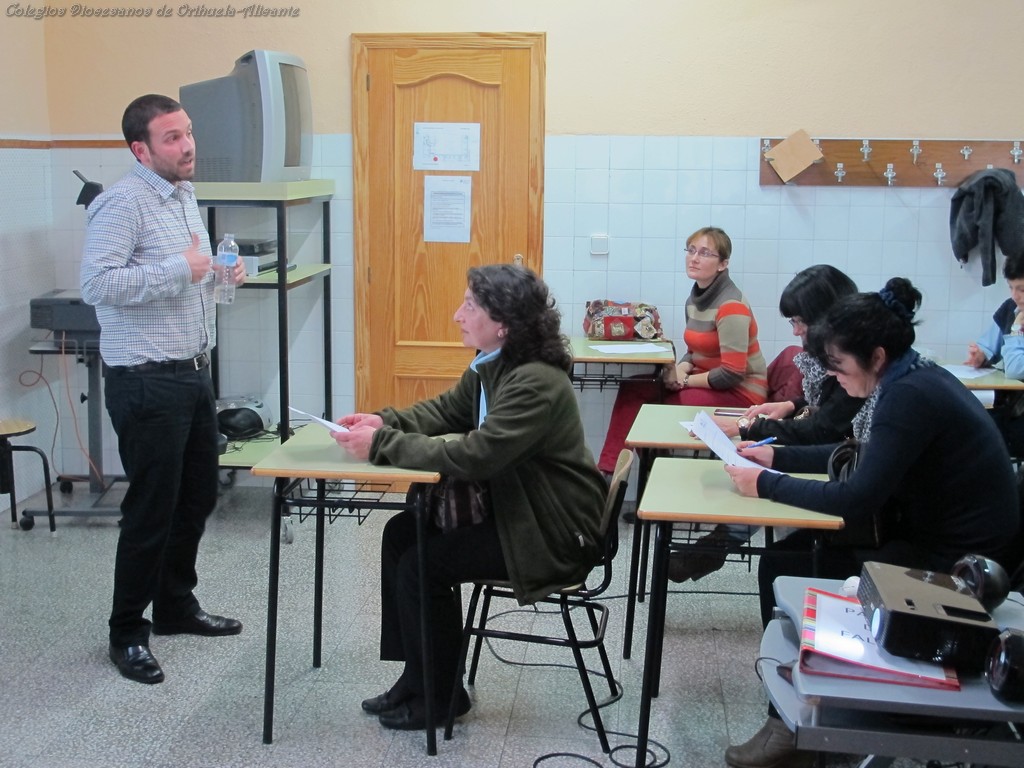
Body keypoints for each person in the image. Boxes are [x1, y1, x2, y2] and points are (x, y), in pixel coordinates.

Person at [722, 277, 1021, 768]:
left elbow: (855, 498)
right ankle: (800, 704)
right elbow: (862, 455)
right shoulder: (913, 378)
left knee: (789, 563)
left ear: (876, 356)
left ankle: (800, 721)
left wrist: (765, 483)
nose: (833, 375)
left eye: (839, 365)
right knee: (785, 558)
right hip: (941, 540)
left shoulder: (908, 396)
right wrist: (777, 456)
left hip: (957, 566)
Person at [332, 264, 606, 731]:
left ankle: (440, 698)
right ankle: (419, 677)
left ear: (504, 324)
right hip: (518, 512)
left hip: (549, 532)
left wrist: (382, 445)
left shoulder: (535, 381)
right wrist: (385, 421)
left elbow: (478, 456)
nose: (458, 315)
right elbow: (447, 410)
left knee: (422, 566)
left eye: (470, 306)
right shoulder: (492, 364)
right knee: (402, 534)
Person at [81, 94, 247, 685]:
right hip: (146, 380)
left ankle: (175, 606)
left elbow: (192, 272)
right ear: (141, 149)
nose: (188, 145)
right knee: (151, 511)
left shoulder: (182, 195)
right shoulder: (121, 203)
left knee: (197, 497)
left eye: (188, 132)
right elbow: (97, 285)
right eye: (172, 137)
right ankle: (127, 632)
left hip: (192, 373)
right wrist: (182, 269)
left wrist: (220, 272)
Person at [668, 266, 866, 583]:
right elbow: (827, 408)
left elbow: (823, 428)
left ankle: (715, 546)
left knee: (766, 485)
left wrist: (748, 427)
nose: (796, 332)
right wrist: (791, 405)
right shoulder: (836, 359)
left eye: (799, 322)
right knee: (763, 471)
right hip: (837, 460)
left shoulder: (855, 365)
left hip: (846, 479)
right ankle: (715, 546)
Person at [597, 226, 767, 473]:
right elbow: (693, 352)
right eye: (691, 250)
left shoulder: (731, 305)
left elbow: (732, 373)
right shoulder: (695, 299)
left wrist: (684, 380)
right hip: (707, 382)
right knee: (633, 389)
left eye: (705, 253)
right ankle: (614, 473)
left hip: (739, 394)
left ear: (723, 264)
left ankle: (632, 473)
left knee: (648, 410)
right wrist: (679, 370)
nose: (694, 258)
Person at [965, 251, 1024, 457]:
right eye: (1011, 287)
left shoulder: (1018, 317)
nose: (1015, 296)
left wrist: (1016, 330)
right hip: (1009, 405)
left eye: (1022, 289)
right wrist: (980, 355)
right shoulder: (1011, 308)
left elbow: (1016, 369)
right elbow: (990, 343)